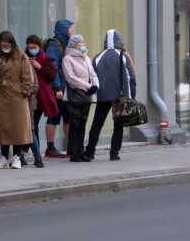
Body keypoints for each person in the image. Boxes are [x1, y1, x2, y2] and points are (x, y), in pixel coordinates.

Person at [85, 29, 136, 161]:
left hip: (102, 96)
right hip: (120, 96)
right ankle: (114, 153)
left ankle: (90, 151)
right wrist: (130, 96)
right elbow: (131, 78)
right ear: (119, 40)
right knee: (118, 125)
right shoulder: (124, 56)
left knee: (97, 124)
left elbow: (91, 77)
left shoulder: (98, 56)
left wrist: (94, 95)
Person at [0, 31, 33, 169]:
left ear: (12, 44)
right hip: (2, 96)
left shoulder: (21, 56)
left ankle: (17, 157)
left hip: (17, 97)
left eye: (7, 45)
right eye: (2, 45)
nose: (5, 47)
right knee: (3, 128)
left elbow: (27, 76)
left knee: (18, 128)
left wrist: (24, 92)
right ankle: (4, 157)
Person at [62, 34, 99, 162]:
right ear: (74, 45)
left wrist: (95, 86)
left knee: (83, 124)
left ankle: (81, 150)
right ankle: (73, 153)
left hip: (87, 95)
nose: (83, 45)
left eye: (83, 42)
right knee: (75, 123)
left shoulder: (87, 58)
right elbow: (71, 78)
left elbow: (93, 74)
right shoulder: (68, 59)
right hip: (76, 94)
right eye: (80, 43)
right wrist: (89, 86)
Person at [24, 35, 58, 168]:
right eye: (30, 47)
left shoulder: (45, 58)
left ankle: (32, 155)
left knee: (33, 126)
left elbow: (52, 75)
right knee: (29, 126)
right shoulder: (23, 57)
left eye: (35, 48)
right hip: (27, 97)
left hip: (40, 99)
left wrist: (39, 67)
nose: (32, 50)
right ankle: (26, 153)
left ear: (39, 47)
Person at [43, 20, 74, 158]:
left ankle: (70, 147)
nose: (72, 30)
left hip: (67, 87)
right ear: (64, 29)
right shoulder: (53, 45)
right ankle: (50, 148)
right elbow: (52, 67)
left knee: (68, 118)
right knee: (53, 118)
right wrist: (56, 88)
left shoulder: (67, 44)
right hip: (58, 89)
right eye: (70, 28)